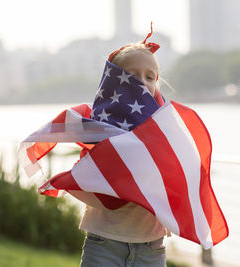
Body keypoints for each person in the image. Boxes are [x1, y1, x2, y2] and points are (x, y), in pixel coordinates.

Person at [79, 26, 168, 267]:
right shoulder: (99, 128)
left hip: (151, 246)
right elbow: (87, 179)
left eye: (150, 77)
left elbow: (175, 179)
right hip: (104, 242)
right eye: (132, 75)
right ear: (114, 82)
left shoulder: (165, 130)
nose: (141, 82)